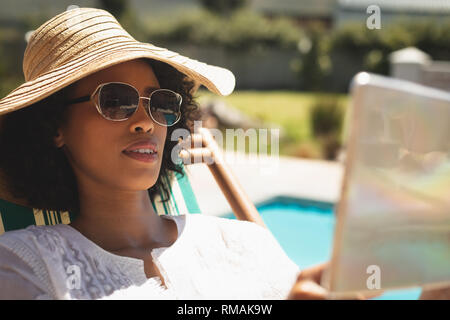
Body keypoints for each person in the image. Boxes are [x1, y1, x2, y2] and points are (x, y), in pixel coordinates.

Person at [0, 7, 446, 300]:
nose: (145, 122)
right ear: (55, 126)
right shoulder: (26, 265)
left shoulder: (237, 241)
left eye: (160, 103)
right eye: (115, 101)